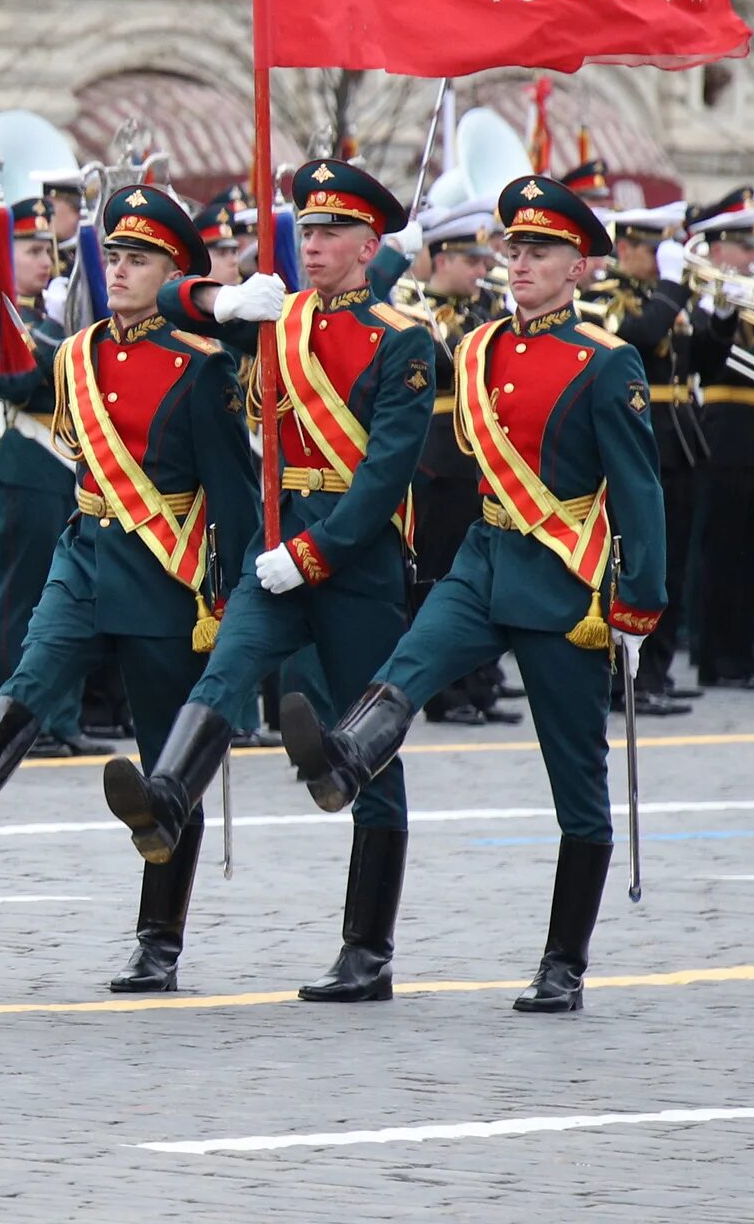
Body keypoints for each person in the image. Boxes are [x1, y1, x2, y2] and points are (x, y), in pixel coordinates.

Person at [282, 174, 665, 1014]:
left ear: (579, 267)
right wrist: (370, 260)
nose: (520, 263)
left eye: (540, 252)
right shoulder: (479, 344)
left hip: (562, 580)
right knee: (408, 666)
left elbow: (639, 492)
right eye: (514, 249)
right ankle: (346, 755)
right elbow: (372, 333)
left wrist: (638, 604)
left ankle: (564, 960)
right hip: (484, 558)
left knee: (576, 780)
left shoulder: (608, 362)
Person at [103, 160, 437, 1003]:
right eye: (306, 230)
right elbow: (171, 297)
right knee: (226, 668)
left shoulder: (400, 340)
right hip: (272, 543)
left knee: (369, 748)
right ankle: (167, 795)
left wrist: (315, 554)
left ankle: (367, 951)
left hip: (350, 562)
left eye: (330, 233)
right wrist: (223, 301)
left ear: (369, 245)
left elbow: (384, 476)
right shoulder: (276, 320)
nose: (311, 244)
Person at [0, 183, 256, 992]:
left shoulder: (204, 370)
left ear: (175, 272)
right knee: (32, 671)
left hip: (165, 572)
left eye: (137, 259)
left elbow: (237, 501)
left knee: (159, 770)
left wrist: (227, 602)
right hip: (85, 555)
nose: (117, 269)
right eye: (111, 254)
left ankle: (158, 942)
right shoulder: (75, 354)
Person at [0, 199, 97, 754]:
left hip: (68, 468)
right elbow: (15, 382)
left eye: (49, 250)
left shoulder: (54, 320)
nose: (46, 261)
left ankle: (63, 720)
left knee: (71, 599)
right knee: (24, 599)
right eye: (31, 250)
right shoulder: (3, 320)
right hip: (29, 461)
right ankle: (19, 718)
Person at [400, 205, 516, 725]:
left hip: (480, 457)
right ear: (441, 258)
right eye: (471, 260)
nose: (479, 270)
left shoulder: (483, 308)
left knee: (483, 577)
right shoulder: (409, 307)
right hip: (437, 459)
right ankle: (446, 694)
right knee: (441, 576)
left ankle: (480, 683)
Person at [597, 200, 700, 712]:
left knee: (672, 561)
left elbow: (700, 357)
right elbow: (640, 337)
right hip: (640, 436)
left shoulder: (657, 295)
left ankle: (656, 671)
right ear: (630, 248)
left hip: (677, 438)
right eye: (654, 249)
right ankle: (628, 678)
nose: (661, 261)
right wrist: (674, 286)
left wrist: (718, 317)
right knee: (636, 559)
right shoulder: (610, 297)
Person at [682, 201, 754, 688]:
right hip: (720, 431)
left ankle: (745, 647)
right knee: (720, 551)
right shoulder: (701, 299)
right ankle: (715, 654)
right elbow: (704, 353)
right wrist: (726, 302)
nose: (752, 255)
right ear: (717, 248)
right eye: (743, 247)